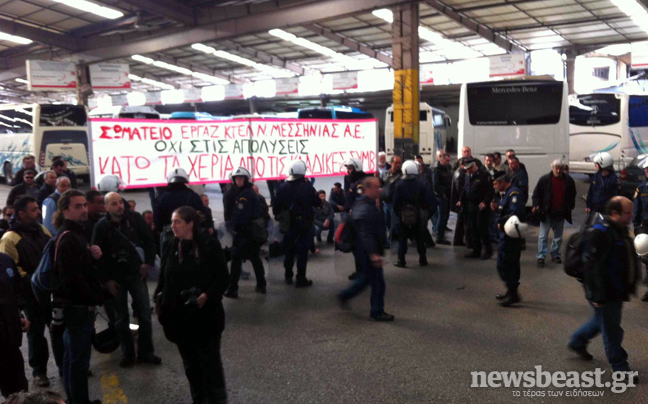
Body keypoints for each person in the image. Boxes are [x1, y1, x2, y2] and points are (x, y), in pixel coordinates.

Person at [154, 207, 229, 404]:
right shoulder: (171, 244)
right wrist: (158, 299)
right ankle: (199, 399)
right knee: (191, 365)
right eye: (172, 221)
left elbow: (222, 278)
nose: (173, 226)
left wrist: (207, 295)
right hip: (180, 317)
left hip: (207, 316)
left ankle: (217, 400)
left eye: (177, 222)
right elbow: (164, 276)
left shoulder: (208, 245)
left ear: (190, 224)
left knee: (210, 363)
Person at [567, 197, 640, 381]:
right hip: (604, 292)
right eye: (628, 212)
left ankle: (577, 341)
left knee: (603, 322)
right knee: (612, 330)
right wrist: (597, 295)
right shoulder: (600, 233)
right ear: (614, 213)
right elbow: (592, 267)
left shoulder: (620, 229)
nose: (631, 215)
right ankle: (620, 368)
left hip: (616, 290)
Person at [92, 192, 160, 368]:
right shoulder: (101, 226)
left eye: (120, 202)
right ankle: (127, 354)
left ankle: (146, 353)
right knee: (121, 318)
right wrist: (107, 280)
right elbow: (98, 257)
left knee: (144, 314)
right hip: (116, 280)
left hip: (136, 274)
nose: (119, 206)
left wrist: (148, 263)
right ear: (106, 207)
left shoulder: (135, 219)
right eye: (114, 204)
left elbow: (149, 241)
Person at [52, 190, 106, 404]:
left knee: (71, 359)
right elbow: (72, 280)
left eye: (85, 205)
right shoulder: (68, 238)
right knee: (78, 362)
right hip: (77, 309)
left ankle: (75, 400)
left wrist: (93, 255)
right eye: (78, 206)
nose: (84, 209)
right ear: (65, 210)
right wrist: (94, 298)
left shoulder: (76, 234)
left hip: (76, 307)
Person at [0, 196, 55, 387]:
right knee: (36, 335)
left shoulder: (42, 229)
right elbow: (10, 271)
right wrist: (34, 282)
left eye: (37, 208)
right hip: (31, 295)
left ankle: (65, 366)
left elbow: (52, 252)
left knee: (56, 329)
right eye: (33, 210)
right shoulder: (10, 238)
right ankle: (39, 372)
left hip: (49, 291)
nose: (38, 212)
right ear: (21, 213)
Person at [338, 177, 394, 321]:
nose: (379, 190)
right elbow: (365, 234)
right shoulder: (365, 208)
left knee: (367, 279)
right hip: (366, 251)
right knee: (377, 283)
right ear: (368, 189)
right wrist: (374, 254)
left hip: (365, 250)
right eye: (376, 187)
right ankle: (376, 311)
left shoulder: (366, 203)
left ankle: (345, 295)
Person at [274, 160, 321, 287]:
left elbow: (275, 208)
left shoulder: (282, 187)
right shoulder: (307, 187)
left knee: (289, 250)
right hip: (304, 224)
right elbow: (317, 202)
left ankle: (288, 275)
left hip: (288, 224)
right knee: (302, 251)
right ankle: (301, 278)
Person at [224, 167, 267, 297]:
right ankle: (261, 284)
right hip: (250, 233)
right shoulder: (246, 192)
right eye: (236, 178)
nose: (238, 180)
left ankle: (233, 289)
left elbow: (242, 216)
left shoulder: (245, 195)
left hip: (244, 233)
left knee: (237, 261)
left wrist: (235, 229)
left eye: (241, 178)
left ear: (246, 179)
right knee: (254, 258)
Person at [531, 160, 576, 267]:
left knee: (558, 236)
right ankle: (541, 256)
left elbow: (573, 194)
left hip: (560, 212)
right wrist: (536, 205)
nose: (559, 170)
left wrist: (570, 206)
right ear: (553, 168)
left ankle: (555, 254)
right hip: (547, 212)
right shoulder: (545, 179)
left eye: (561, 168)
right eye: (556, 168)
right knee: (543, 236)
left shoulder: (569, 181)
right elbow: (536, 194)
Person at [393, 160, 437, 267]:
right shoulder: (420, 183)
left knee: (402, 239)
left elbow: (395, 203)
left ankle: (401, 260)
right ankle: (423, 259)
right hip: (417, 215)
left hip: (403, 216)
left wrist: (399, 213)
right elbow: (429, 200)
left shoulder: (399, 185)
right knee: (420, 238)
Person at [491, 174, 525, 307]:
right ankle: (511, 291)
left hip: (510, 236)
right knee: (506, 264)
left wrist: (502, 222)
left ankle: (513, 293)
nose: (494, 187)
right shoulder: (505, 194)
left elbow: (516, 213)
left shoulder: (514, 194)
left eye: (496, 184)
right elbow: (504, 210)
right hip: (504, 235)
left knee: (507, 264)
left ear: (503, 182)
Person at [0, 250, 29, 399]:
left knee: (19, 384)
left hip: (11, 336)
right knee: (7, 385)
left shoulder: (5, 260)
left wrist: (19, 316)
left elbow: (16, 291)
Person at [154, 168, 206, 244]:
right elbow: (202, 215)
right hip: (191, 236)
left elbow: (157, 220)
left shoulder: (162, 198)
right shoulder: (193, 196)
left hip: (169, 236)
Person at [457, 158, 494, 259]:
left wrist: (485, 202)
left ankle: (488, 250)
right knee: (473, 229)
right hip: (470, 206)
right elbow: (465, 189)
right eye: (466, 169)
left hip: (480, 206)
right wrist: (461, 200)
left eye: (469, 169)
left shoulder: (484, 175)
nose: (467, 171)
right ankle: (476, 250)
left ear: (474, 166)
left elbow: (490, 191)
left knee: (482, 229)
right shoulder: (468, 176)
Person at [586, 152, 619, 224]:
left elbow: (615, 195)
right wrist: (588, 205)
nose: (595, 165)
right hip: (595, 209)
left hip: (606, 210)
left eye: (596, 164)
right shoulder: (595, 176)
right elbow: (591, 191)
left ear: (602, 164)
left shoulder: (613, 179)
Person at [380, 156, 402, 241]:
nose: (398, 165)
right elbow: (380, 185)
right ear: (391, 163)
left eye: (399, 163)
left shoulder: (400, 175)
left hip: (395, 203)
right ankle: (391, 236)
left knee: (394, 222)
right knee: (387, 221)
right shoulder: (384, 174)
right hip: (385, 202)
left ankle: (393, 239)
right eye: (396, 162)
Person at [432, 151, 452, 245]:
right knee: (442, 217)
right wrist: (442, 194)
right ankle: (439, 236)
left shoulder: (447, 168)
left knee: (445, 216)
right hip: (441, 197)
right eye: (447, 161)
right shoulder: (437, 170)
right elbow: (435, 185)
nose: (448, 162)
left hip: (447, 195)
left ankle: (441, 234)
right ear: (442, 160)